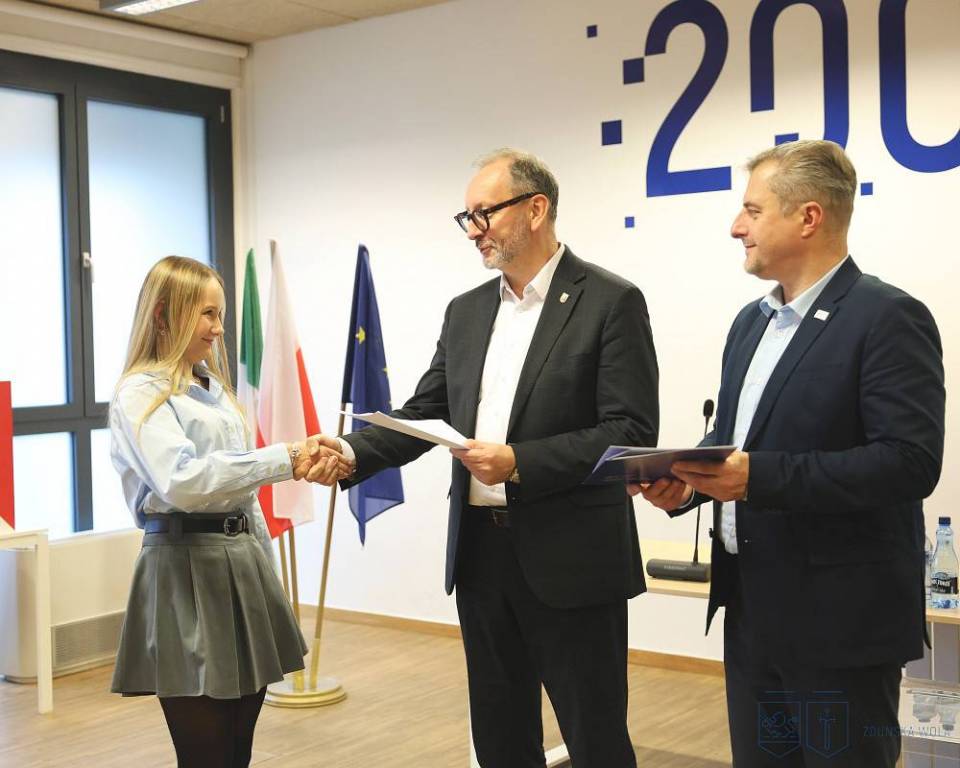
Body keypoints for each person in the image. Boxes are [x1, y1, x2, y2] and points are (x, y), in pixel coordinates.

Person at [307, 149, 658, 766]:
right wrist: (350, 451)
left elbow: (629, 431)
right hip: (481, 557)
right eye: (466, 217)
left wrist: (519, 461)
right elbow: (426, 413)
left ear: (536, 209)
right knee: (499, 738)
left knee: (595, 738)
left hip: (572, 558)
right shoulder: (466, 311)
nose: (473, 231)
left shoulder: (610, 301)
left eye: (484, 214)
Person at [638, 140, 945, 766]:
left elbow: (909, 461)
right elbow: (736, 441)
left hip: (840, 626)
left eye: (752, 210)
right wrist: (685, 481)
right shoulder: (750, 323)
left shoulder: (887, 317)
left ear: (808, 217)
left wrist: (756, 478)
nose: (736, 226)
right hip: (751, 615)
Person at [109, 255, 345, 768]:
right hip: (184, 570)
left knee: (238, 748)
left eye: (220, 315)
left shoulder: (215, 391)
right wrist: (283, 457)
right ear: (163, 315)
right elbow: (184, 483)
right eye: (208, 314)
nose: (219, 329)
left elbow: (243, 496)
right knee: (206, 753)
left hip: (242, 568)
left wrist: (265, 571)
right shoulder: (140, 393)